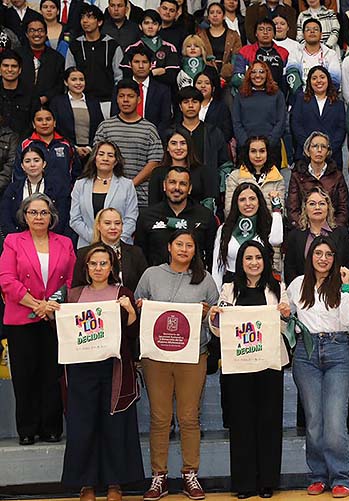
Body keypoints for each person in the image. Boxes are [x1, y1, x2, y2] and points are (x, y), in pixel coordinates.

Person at [135, 230, 219, 501]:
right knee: (160, 417)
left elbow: (218, 319)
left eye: (189, 245)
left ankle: (189, 474)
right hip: (156, 358)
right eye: (179, 244)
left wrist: (208, 314)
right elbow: (137, 307)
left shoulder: (205, 279)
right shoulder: (151, 275)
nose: (184, 249)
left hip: (193, 356)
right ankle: (158, 476)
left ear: (195, 250)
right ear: (169, 247)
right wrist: (140, 306)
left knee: (188, 417)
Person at [59, 243, 143, 501]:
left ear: (111, 267)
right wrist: (53, 314)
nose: (98, 268)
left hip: (113, 368)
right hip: (81, 370)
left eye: (103, 263)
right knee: (83, 426)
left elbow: (132, 334)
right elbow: (63, 333)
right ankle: (86, 484)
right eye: (93, 263)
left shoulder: (122, 293)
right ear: (86, 267)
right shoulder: (72, 295)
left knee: (114, 426)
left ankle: (115, 484)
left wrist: (130, 311)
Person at [208, 241, 290, 498]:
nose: (254, 262)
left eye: (258, 258)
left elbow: (285, 326)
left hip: (269, 363)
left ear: (265, 261)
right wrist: (214, 317)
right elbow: (219, 330)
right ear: (240, 262)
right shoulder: (228, 289)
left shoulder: (277, 288)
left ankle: (267, 482)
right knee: (241, 423)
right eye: (248, 258)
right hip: (238, 365)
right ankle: (244, 483)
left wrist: (285, 315)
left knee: (269, 422)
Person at [286, 235, 349, 498]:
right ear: (310, 257)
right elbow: (286, 315)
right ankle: (318, 475)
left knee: (335, 420)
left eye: (328, 254)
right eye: (318, 253)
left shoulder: (345, 283)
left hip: (338, 351)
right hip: (306, 353)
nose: (323, 259)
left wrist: (347, 287)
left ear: (335, 258)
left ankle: (340, 477)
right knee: (314, 420)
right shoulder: (297, 284)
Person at [0, 193, 76, 445]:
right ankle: (27, 429)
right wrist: (37, 304)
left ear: (52, 216)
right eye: (33, 212)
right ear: (24, 215)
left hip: (54, 318)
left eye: (44, 212)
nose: (39, 217)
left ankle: (51, 427)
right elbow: (7, 279)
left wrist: (50, 306)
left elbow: (71, 280)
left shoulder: (65, 242)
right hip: (21, 318)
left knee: (52, 374)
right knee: (25, 375)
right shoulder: (13, 241)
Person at [93, 79, 163, 206]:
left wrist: (129, 185)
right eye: (121, 96)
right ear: (116, 99)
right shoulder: (105, 127)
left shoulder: (149, 129)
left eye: (130, 96)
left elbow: (154, 163)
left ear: (139, 99)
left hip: (140, 198)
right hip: (107, 195)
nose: (125, 100)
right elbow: (96, 159)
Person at [135, 166, 217, 266]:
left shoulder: (205, 216)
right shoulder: (147, 216)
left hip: (194, 274)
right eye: (172, 182)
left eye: (183, 184)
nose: (177, 188)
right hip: (156, 274)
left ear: (190, 188)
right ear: (164, 185)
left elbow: (211, 255)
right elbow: (139, 256)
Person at [212, 182, 283, 288]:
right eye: (242, 200)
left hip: (261, 285)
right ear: (236, 203)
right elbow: (217, 267)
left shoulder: (267, 226)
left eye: (252, 199)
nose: (248, 203)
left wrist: (276, 210)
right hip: (231, 286)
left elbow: (276, 240)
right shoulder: (225, 229)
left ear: (259, 202)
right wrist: (217, 293)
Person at [69, 141, 138, 247]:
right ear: (94, 158)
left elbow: (131, 219)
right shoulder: (80, 184)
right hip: (88, 245)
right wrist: (96, 239)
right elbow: (75, 219)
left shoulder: (127, 185)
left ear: (116, 161)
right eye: (101, 154)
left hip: (120, 246)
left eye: (110, 155)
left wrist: (114, 241)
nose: (105, 158)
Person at [167, 86, 231, 198]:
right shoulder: (171, 133)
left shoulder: (213, 132)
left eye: (195, 102)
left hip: (207, 192)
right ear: (180, 107)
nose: (190, 105)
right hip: (177, 190)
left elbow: (224, 164)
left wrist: (218, 186)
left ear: (200, 105)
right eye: (186, 102)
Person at [284, 188, 349, 286]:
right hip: (303, 289)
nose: (317, 207)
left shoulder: (341, 233)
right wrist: (298, 289)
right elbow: (290, 269)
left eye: (322, 204)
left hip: (336, 288)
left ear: (328, 208)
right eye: (312, 204)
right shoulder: (295, 236)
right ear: (305, 208)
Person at [72, 207, 149, 292]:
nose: (113, 227)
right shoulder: (84, 253)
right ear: (98, 226)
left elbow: (145, 285)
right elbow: (76, 289)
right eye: (107, 223)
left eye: (117, 223)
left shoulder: (136, 253)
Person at [0, 145, 70, 237]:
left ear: (44, 164)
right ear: (22, 166)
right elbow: (5, 217)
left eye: (36, 160)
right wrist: (16, 239)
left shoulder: (58, 188)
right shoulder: (13, 189)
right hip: (18, 239)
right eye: (27, 161)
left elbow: (62, 217)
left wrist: (47, 238)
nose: (32, 165)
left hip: (49, 238)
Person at [64, 4, 124, 107]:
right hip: (81, 101)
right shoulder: (75, 45)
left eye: (90, 17)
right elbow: (69, 73)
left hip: (107, 101)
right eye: (82, 17)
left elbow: (119, 76)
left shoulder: (112, 45)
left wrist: (116, 98)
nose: (85, 21)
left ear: (99, 22)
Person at [290, 66, 346, 173]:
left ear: (328, 80)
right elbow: (296, 124)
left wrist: (327, 149)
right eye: (314, 78)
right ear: (309, 81)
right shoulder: (301, 100)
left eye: (322, 77)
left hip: (332, 157)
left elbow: (341, 129)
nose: (319, 81)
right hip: (305, 156)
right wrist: (309, 147)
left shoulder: (338, 103)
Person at [288, 132, 349, 228]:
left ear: (328, 152)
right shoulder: (297, 175)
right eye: (315, 146)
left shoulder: (337, 176)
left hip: (332, 229)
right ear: (307, 151)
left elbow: (343, 209)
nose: (319, 150)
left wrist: (331, 229)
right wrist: (308, 229)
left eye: (323, 147)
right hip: (304, 229)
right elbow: (293, 209)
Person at [13, 105, 81, 189]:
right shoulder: (25, 145)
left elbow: (76, 173)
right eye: (39, 120)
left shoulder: (66, 145)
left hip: (63, 195)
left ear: (54, 122)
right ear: (33, 124)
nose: (44, 123)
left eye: (48, 119)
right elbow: (18, 175)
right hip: (34, 195)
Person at [231, 61, 286, 163]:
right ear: (248, 74)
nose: (257, 75)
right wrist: (247, 144)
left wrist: (269, 144)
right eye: (253, 72)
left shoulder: (277, 94)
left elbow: (281, 121)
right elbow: (236, 122)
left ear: (267, 74)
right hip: (245, 149)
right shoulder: (240, 95)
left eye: (261, 72)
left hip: (271, 149)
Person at [148, 130, 216, 208]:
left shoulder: (203, 171)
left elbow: (209, 202)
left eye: (183, 143)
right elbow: (153, 205)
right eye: (174, 143)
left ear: (189, 146)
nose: (178, 148)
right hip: (163, 215)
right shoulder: (157, 172)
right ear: (167, 147)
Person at [49, 68, 105, 160]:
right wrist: (74, 147)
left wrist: (89, 147)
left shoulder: (93, 102)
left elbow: (100, 126)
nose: (78, 83)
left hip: (91, 152)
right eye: (74, 79)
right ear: (66, 82)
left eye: (81, 79)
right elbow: (56, 128)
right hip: (66, 150)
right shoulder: (57, 102)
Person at [116, 46, 173, 135]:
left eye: (145, 62)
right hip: (123, 135)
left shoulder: (163, 90)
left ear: (151, 65)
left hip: (153, 137)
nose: (141, 66)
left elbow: (165, 120)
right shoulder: (119, 88)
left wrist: (154, 137)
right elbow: (115, 116)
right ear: (130, 64)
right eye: (136, 62)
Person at [120, 10, 181, 92]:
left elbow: (171, 78)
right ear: (140, 26)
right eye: (146, 23)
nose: (150, 27)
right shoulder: (132, 48)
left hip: (163, 93)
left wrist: (142, 74)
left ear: (159, 27)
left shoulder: (170, 48)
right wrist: (154, 72)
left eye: (154, 23)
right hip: (138, 93)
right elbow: (128, 76)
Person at [224, 136, 286, 216]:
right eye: (253, 151)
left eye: (262, 151)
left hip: (269, 223)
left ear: (268, 153)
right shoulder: (235, 177)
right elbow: (229, 210)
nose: (258, 156)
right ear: (247, 153)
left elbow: (280, 213)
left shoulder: (277, 177)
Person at [19, 18, 65, 105]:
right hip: (20, 102)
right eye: (32, 30)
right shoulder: (17, 55)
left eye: (40, 30)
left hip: (49, 105)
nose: (36, 34)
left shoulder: (57, 58)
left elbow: (60, 85)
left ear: (46, 33)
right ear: (26, 34)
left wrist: (46, 97)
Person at [197, 2, 242, 83]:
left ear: (224, 16)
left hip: (228, 76)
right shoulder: (200, 35)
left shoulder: (234, 35)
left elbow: (237, 58)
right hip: (206, 76)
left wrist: (225, 73)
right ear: (208, 17)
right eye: (212, 13)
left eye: (218, 12)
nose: (215, 15)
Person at [0, 50, 37, 137]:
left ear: (20, 70)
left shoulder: (31, 93)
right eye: (5, 66)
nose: (9, 70)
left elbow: (35, 121)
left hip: (23, 142)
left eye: (14, 66)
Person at [195, 69, 233, 142]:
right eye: (199, 83)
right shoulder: (188, 105)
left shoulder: (221, 107)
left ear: (213, 88)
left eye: (207, 83)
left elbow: (227, 132)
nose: (203, 86)